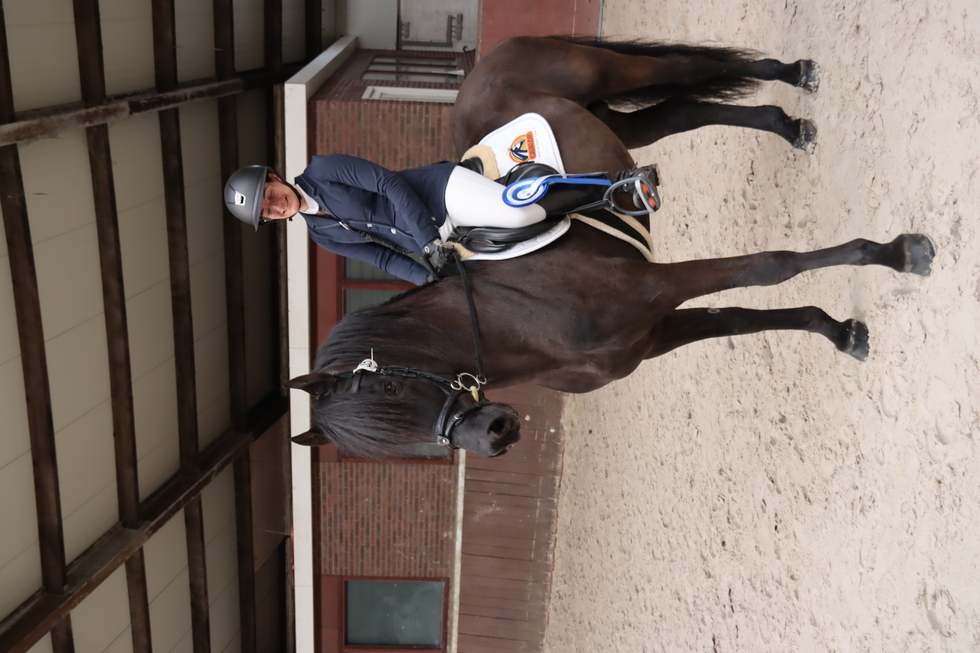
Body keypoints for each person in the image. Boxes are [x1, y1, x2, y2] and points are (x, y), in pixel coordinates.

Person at [223, 154, 656, 285]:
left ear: (275, 178)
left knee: (516, 211)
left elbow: (389, 183)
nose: (276, 206)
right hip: (438, 244)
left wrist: (429, 239)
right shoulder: (321, 234)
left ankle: (617, 186)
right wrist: (428, 280)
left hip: (441, 194)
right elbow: (383, 259)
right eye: (267, 212)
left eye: (270, 196)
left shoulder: (323, 171)